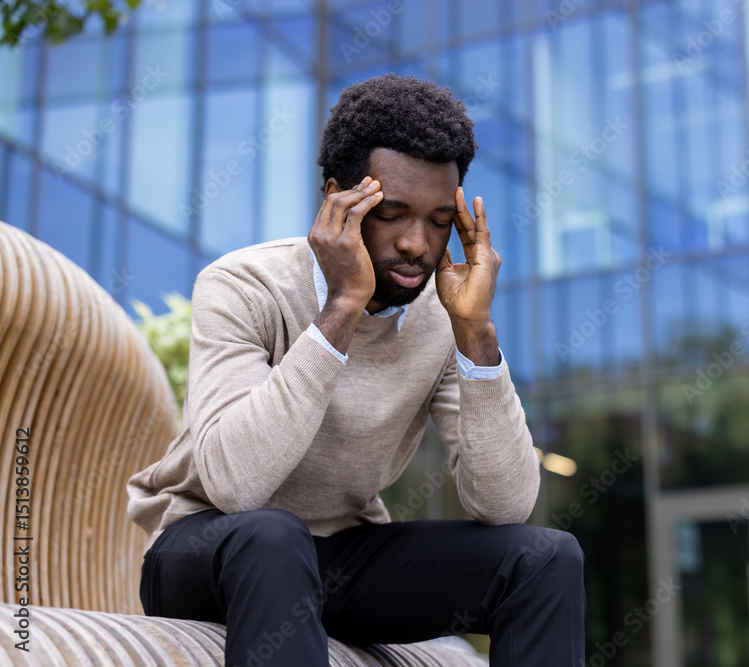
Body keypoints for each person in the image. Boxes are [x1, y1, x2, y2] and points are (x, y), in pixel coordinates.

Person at [125, 73, 585, 666]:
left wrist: (475, 332)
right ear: (337, 200)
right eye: (392, 213)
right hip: (209, 545)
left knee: (544, 557)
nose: (417, 244)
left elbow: (505, 506)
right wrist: (343, 306)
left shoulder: (443, 315)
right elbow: (235, 485)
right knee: (273, 534)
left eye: (438, 221)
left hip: (340, 559)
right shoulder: (243, 285)